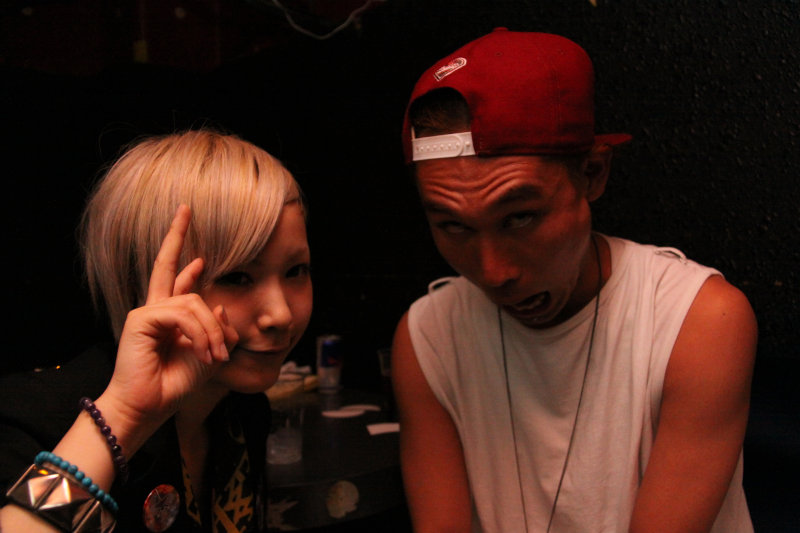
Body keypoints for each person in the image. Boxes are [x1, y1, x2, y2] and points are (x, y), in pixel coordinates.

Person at [391, 28, 757, 533]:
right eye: (454, 226)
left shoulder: (697, 321)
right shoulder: (428, 337)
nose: (493, 272)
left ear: (593, 173)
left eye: (519, 218)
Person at [0, 129, 313, 532]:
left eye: (296, 271)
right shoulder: (33, 421)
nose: (281, 315)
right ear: (144, 280)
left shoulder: (242, 410)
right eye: (236, 277)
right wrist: (124, 416)